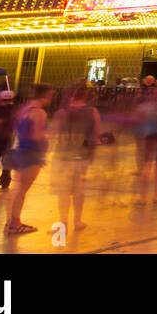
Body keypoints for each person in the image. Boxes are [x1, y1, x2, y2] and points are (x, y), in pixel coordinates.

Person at [4, 84, 54, 235]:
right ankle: (15, 224)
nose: (51, 98)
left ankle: (10, 222)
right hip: (32, 153)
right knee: (21, 191)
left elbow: (17, 129)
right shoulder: (39, 113)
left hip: (20, 151)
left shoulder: (25, 109)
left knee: (16, 189)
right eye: (50, 95)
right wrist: (50, 134)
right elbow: (35, 135)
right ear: (45, 95)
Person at [52, 85, 100, 232]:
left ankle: (63, 221)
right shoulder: (93, 112)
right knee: (79, 190)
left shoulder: (61, 112)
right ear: (86, 96)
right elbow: (95, 136)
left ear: (70, 96)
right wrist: (92, 153)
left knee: (63, 191)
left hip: (62, 155)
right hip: (81, 156)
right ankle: (77, 220)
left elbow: (52, 133)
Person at [132, 86, 157, 204]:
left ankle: (143, 198)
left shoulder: (146, 106)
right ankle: (156, 196)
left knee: (147, 165)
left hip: (150, 135)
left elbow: (137, 118)